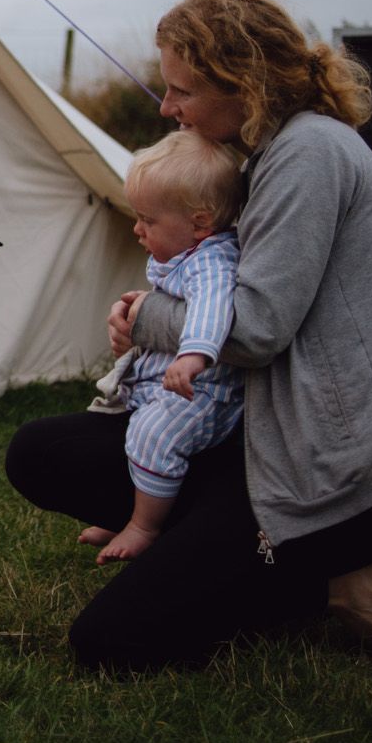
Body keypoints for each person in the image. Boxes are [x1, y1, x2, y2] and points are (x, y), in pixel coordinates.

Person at [4, 0, 372, 670]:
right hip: (261, 435)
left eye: (181, 89)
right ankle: (283, 569)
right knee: (38, 449)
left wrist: (148, 316)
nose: (167, 105)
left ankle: (327, 571)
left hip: (326, 473)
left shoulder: (307, 156)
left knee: (108, 644)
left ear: (241, 81)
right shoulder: (273, 151)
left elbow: (255, 329)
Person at [79, 130, 247, 564]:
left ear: (200, 222)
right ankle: (124, 511)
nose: (137, 229)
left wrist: (193, 355)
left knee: (154, 436)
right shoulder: (188, 252)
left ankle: (145, 526)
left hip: (204, 391)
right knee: (128, 430)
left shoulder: (213, 261)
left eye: (148, 221)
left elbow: (212, 309)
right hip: (173, 383)